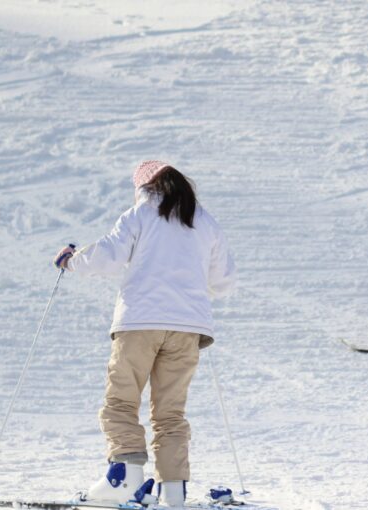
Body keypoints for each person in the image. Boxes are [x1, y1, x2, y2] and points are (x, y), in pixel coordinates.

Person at [53, 161, 236, 507]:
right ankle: (173, 493)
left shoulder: (140, 214)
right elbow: (223, 281)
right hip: (187, 329)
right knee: (170, 413)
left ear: (145, 187)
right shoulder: (205, 222)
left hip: (139, 323)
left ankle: (123, 480)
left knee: (121, 400)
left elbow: (108, 256)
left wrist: (72, 260)